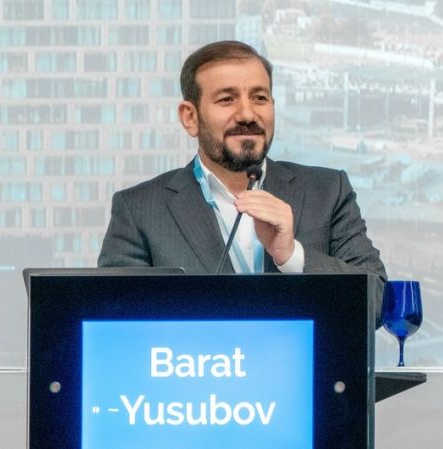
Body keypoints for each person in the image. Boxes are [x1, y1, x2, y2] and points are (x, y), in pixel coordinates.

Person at [97, 41, 386, 319]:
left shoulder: (328, 192)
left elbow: (379, 303)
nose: (247, 114)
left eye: (260, 98)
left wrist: (291, 256)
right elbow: (113, 317)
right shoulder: (139, 210)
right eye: (227, 99)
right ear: (190, 117)